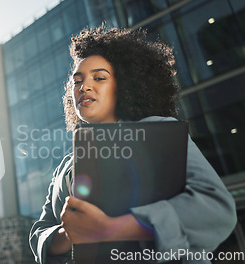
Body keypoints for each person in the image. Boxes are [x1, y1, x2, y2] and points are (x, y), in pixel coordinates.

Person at [29, 26, 237, 263]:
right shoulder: (65, 167)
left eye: (99, 78)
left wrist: (112, 228)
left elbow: (215, 207)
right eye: (77, 81)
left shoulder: (160, 131)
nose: (84, 87)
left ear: (124, 86)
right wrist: (69, 232)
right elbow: (39, 233)